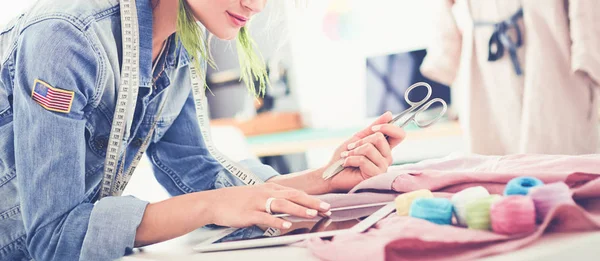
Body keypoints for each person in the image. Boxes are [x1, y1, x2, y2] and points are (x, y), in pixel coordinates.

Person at [0, 0, 406, 260]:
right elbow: (55, 239)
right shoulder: (65, 37)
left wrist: (324, 178)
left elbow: (196, 172)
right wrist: (210, 205)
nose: (257, 5)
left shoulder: (178, 48)